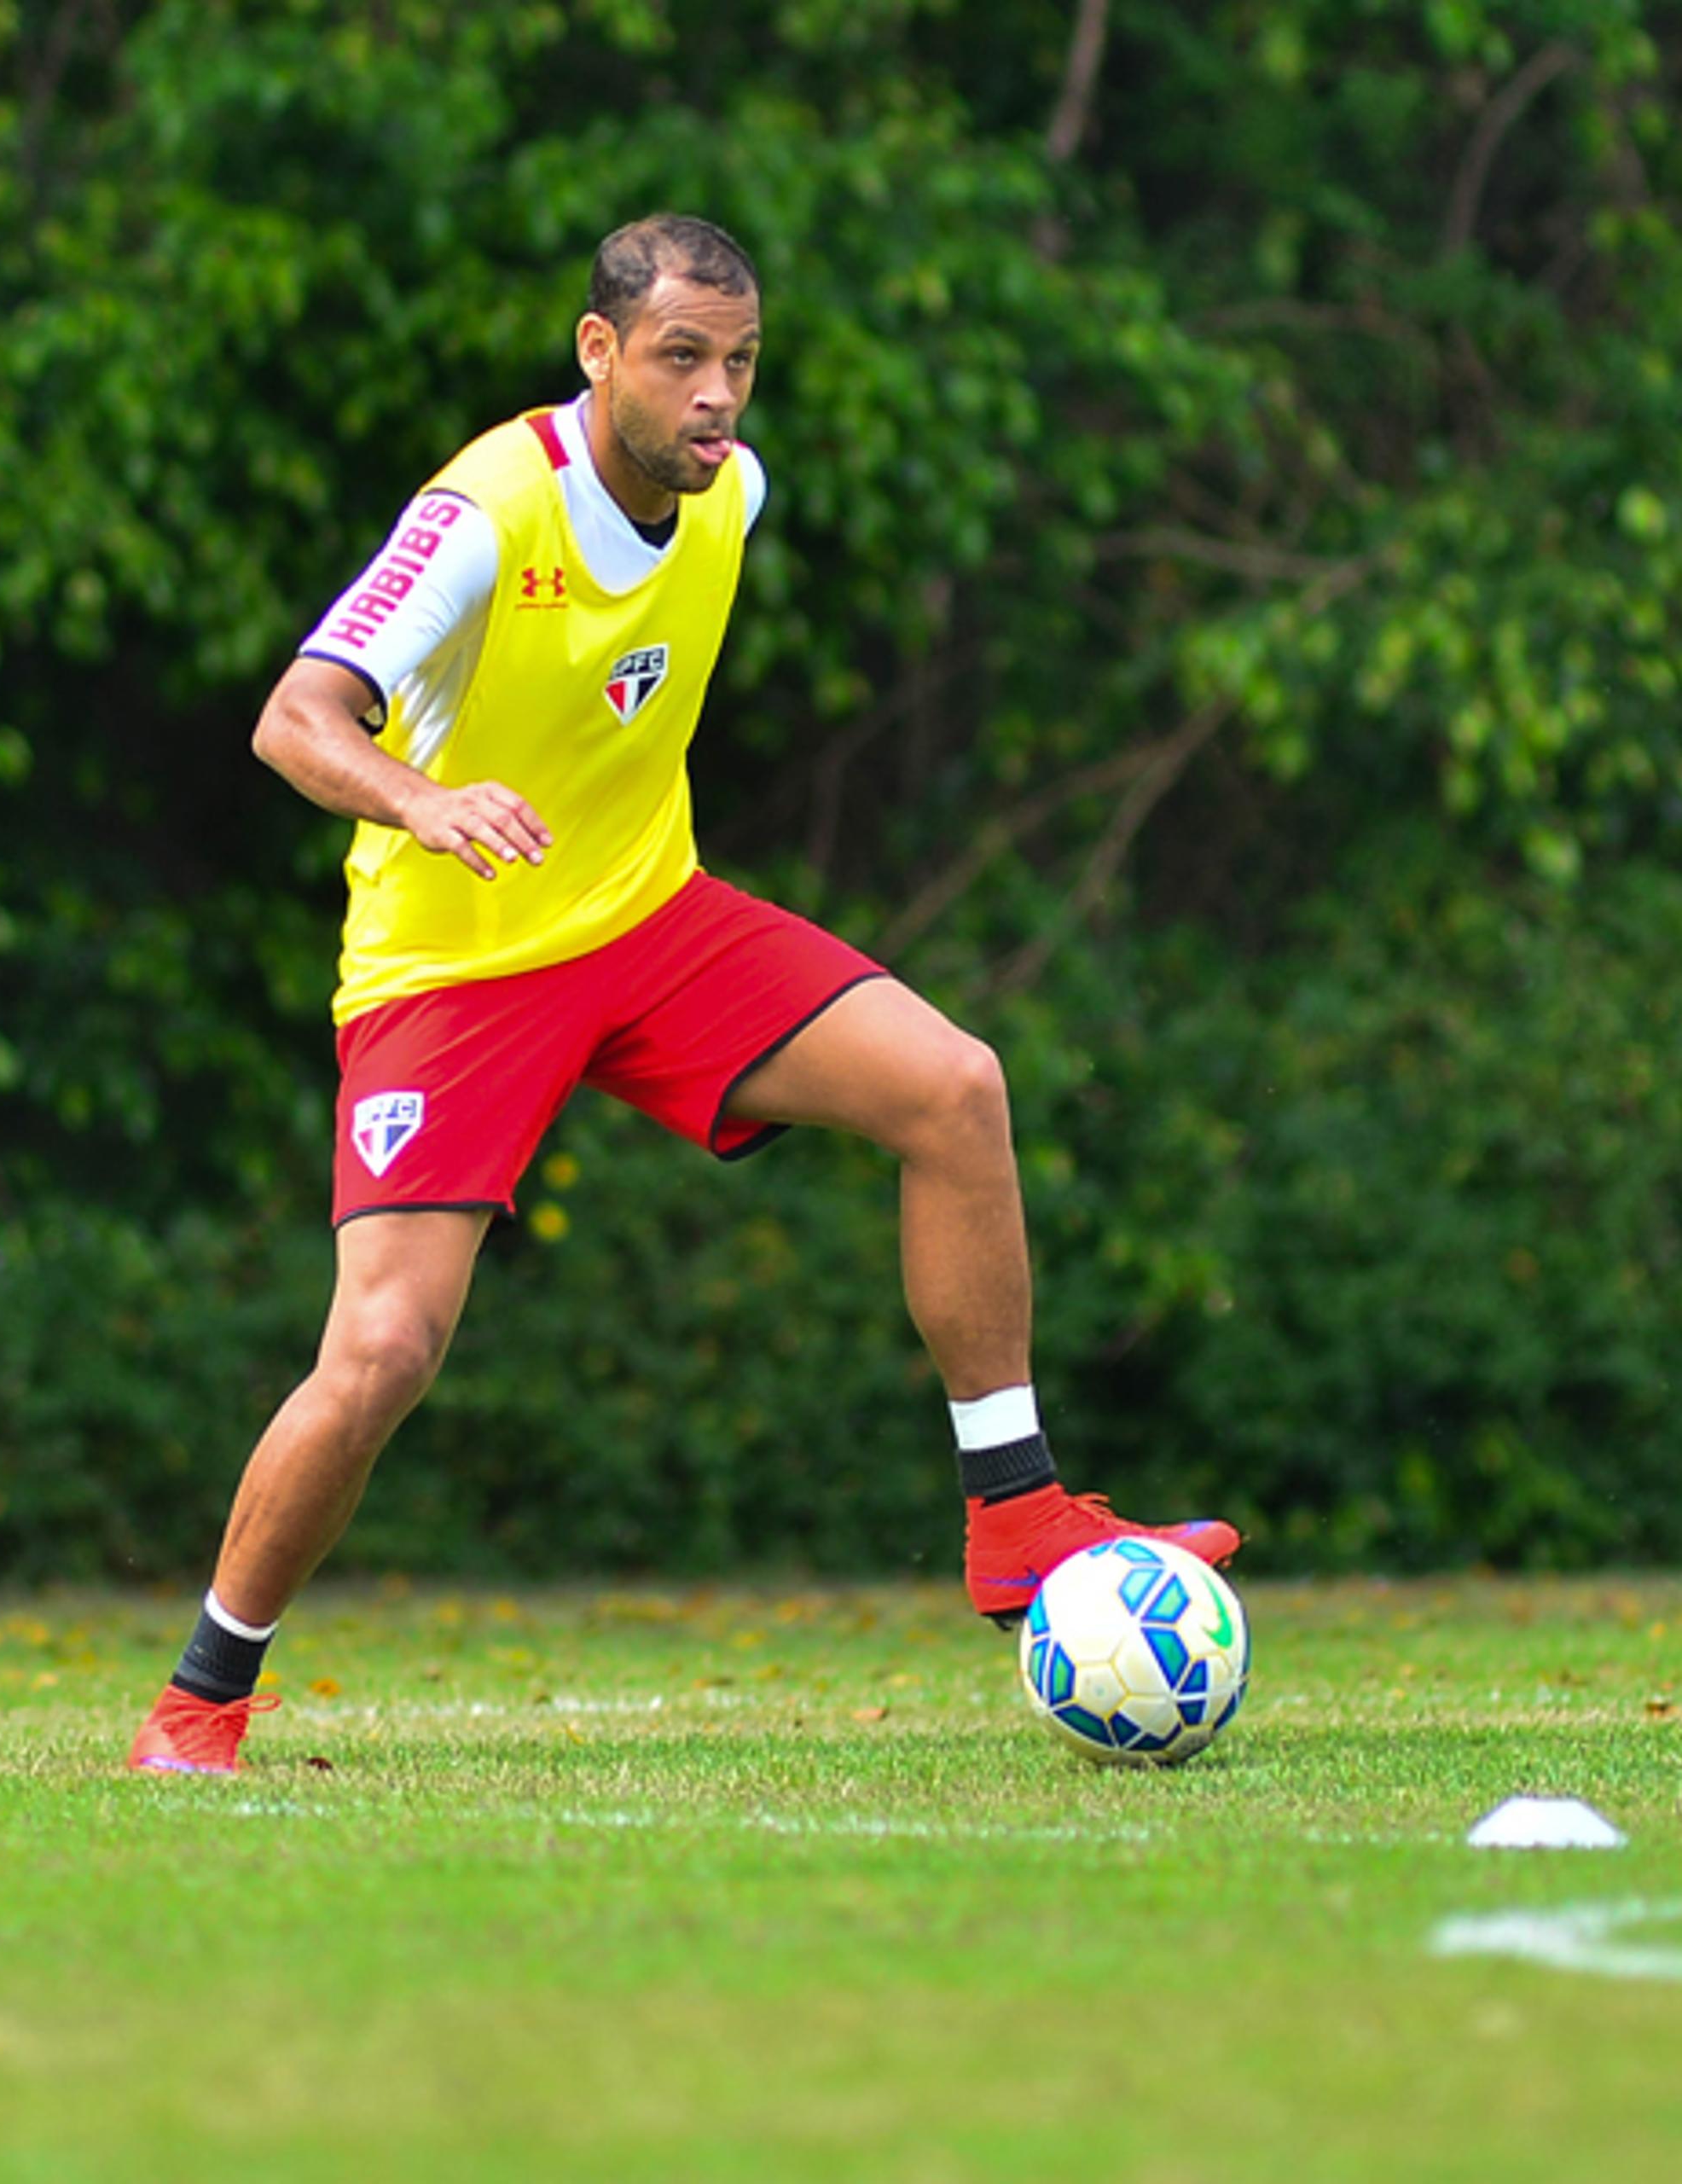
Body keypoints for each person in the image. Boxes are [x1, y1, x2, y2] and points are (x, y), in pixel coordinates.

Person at [128, 215, 1238, 1776]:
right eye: (683, 359)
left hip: (652, 925)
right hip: (459, 970)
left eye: (742, 363)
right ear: (599, 354)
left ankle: (1016, 1513)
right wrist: (423, 801)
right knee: (382, 1352)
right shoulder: (482, 512)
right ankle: (198, 1704)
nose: (720, 396)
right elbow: (294, 719)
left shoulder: (737, 494)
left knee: (956, 1089)